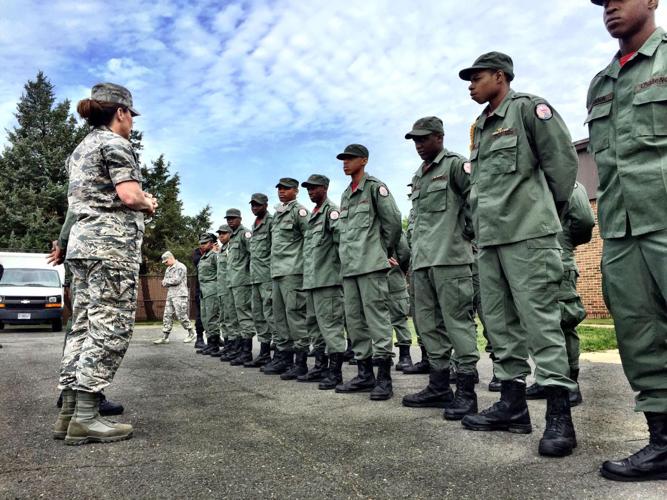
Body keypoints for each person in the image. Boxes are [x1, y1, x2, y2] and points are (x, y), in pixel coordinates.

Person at [458, 53, 579, 457]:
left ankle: (560, 413)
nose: (471, 85)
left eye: (477, 78)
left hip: (529, 236)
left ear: (500, 76)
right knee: (500, 324)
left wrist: (546, 216)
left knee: (541, 321)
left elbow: (562, 166)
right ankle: (512, 405)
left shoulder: (528, 109)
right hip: (490, 242)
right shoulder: (480, 128)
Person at [52, 82, 157, 445]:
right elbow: (129, 195)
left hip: (82, 249)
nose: (132, 124)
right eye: (131, 117)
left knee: (81, 326)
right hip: (110, 249)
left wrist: (64, 245)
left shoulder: (80, 150)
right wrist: (148, 203)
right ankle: (85, 417)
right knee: (109, 327)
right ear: (121, 113)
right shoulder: (116, 144)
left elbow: (73, 209)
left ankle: (67, 414)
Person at [588, 0, 667, 481]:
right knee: (641, 340)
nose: (611, 5)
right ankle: (662, 442)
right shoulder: (601, 83)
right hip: (620, 229)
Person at [401, 116, 480, 420]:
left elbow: (476, 201)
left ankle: (466, 393)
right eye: (415, 141)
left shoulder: (456, 166)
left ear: (439, 137)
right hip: (423, 263)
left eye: (423, 139)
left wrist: (466, 237)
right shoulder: (419, 176)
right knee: (429, 325)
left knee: (458, 323)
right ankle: (438, 386)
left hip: (451, 260)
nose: (419, 146)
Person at [334, 144, 402, 401]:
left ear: (364, 160)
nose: (345, 163)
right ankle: (364, 373)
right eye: (343, 159)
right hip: (350, 268)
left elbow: (393, 222)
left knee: (377, 318)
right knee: (354, 320)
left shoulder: (375, 187)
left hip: (371, 265)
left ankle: (384, 377)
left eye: (350, 159)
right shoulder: (345, 195)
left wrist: (382, 249)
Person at [49, 211, 124, 416]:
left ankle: (70, 397)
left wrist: (63, 245)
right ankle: (88, 398)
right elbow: (74, 215)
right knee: (98, 326)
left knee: (79, 327)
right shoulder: (94, 189)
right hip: (98, 255)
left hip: (80, 259)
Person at [526, 182, 595, 406]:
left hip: (558, 259)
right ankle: (547, 378)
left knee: (563, 322)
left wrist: (564, 240)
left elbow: (584, 222)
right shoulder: (537, 179)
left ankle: (570, 383)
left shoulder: (569, 183)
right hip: (535, 259)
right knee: (540, 324)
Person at [299, 174, 346, 388]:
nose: (310, 191)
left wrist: (339, 273)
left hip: (328, 281)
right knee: (314, 327)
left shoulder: (331, 212)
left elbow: (341, 243)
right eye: (308, 189)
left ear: (325, 188)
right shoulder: (312, 216)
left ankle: (335, 373)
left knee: (331, 327)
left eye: (314, 188)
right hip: (311, 281)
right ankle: (320, 367)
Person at [262, 178, 310, 379]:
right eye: (279, 189)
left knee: (295, 316)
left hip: (293, 272)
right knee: (279, 317)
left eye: (286, 189)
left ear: (296, 191)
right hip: (277, 272)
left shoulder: (300, 212)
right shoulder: (278, 214)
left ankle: (301, 362)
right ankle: (284, 358)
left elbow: (310, 239)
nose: (282, 192)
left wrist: (305, 268)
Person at [221, 208, 256, 365]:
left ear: (240, 219)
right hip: (232, 282)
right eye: (228, 218)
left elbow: (253, 255)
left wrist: (247, 275)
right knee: (234, 317)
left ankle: (246, 352)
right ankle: (238, 350)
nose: (230, 220)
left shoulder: (245, 234)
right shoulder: (232, 238)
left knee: (244, 315)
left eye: (233, 218)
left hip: (242, 282)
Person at [245, 194, 275, 368]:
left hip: (268, 277)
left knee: (271, 315)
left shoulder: (271, 222)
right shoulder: (254, 226)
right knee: (258, 315)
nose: (255, 208)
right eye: (253, 205)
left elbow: (274, 249)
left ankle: (278, 352)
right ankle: (264, 353)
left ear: (265, 205)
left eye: (258, 205)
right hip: (255, 279)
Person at [153, 251, 195, 344]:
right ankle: (165, 337)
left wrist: (166, 282)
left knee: (181, 315)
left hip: (180, 294)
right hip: (171, 294)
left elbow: (176, 280)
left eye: (166, 262)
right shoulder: (168, 269)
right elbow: (165, 281)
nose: (165, 264)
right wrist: (166, 282)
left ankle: (191, 333)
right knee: (167, 315)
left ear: (171, 258)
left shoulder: (180, 266)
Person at [387, 232, 413, 372]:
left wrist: (400, 271)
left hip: (394, 279)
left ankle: (405, 356)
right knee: (378, 320)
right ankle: (384, 355)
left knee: (399, 318)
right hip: (376, 281)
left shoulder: (395, 232)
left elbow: (404, 253)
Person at [195, 233, 221, 355]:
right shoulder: (204, 256)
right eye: (201, 243)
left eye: (205, 243)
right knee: (205, 318)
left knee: (212, 318)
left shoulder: (214, 255)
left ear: (211, 243)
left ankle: (214, 345)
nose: (202, 245)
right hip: (204, 291)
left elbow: (221, 273)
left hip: (212, 290)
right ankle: (210, 343)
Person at [213, 225, 234, 359]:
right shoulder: (222, 250)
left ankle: (233, 347)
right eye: (219, 234)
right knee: (224, 318)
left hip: (229, 287)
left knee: (231, 318)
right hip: (221, 288)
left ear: (230, 234)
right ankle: (227, 346)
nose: (221, 236)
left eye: (224, 233)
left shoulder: (231, 247)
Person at [191, 246, 206, 349]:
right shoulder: (197, 253)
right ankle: (199, 339)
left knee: (216, 315)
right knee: (200, 314)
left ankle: (215, 337)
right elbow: (197, 262)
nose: (203, 245)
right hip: (201, 289)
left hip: (216, 289)